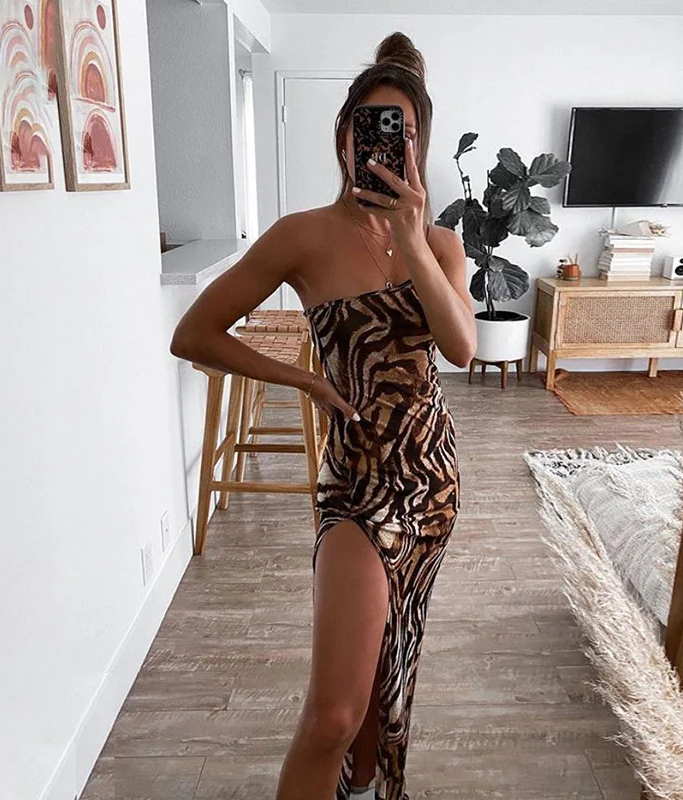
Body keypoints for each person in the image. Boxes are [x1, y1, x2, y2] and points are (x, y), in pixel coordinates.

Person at [170, 31, 476, 800]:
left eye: (401, 132)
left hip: (431, 482)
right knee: (332, 715)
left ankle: (360, 789)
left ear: (418, 147)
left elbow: (461, 348)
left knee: (384, 679)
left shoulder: (441, 245)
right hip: (356, 486)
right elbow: (194, 333)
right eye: (369, 126)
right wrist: (302, 380)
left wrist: (411, 240)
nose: (381, 144)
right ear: (344, 133)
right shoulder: (301, 236)